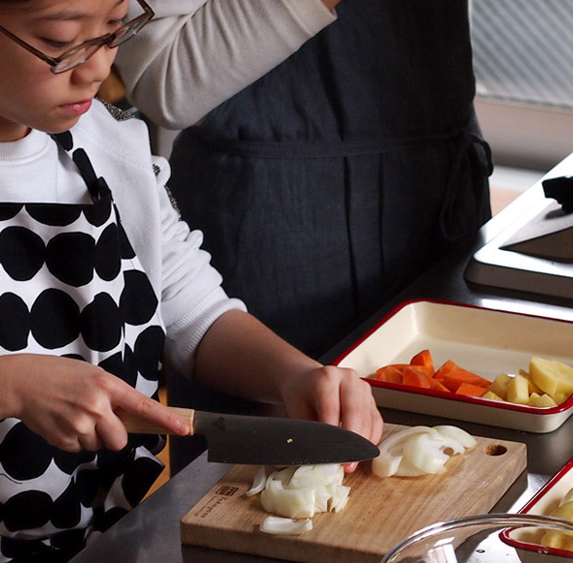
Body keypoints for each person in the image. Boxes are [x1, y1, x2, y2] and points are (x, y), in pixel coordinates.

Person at [0, 1, 382, 563]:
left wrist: (293, 376)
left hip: (110, 558)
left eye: (114, 31)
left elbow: (191, 308)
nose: (96, 69)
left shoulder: (102, 141)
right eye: (63, 41)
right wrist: (3, 386)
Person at [116, 1, 492, 425]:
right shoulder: (105, 154)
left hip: (441, 198)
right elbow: (165, 81)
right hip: (276, 229)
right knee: (270, 475)